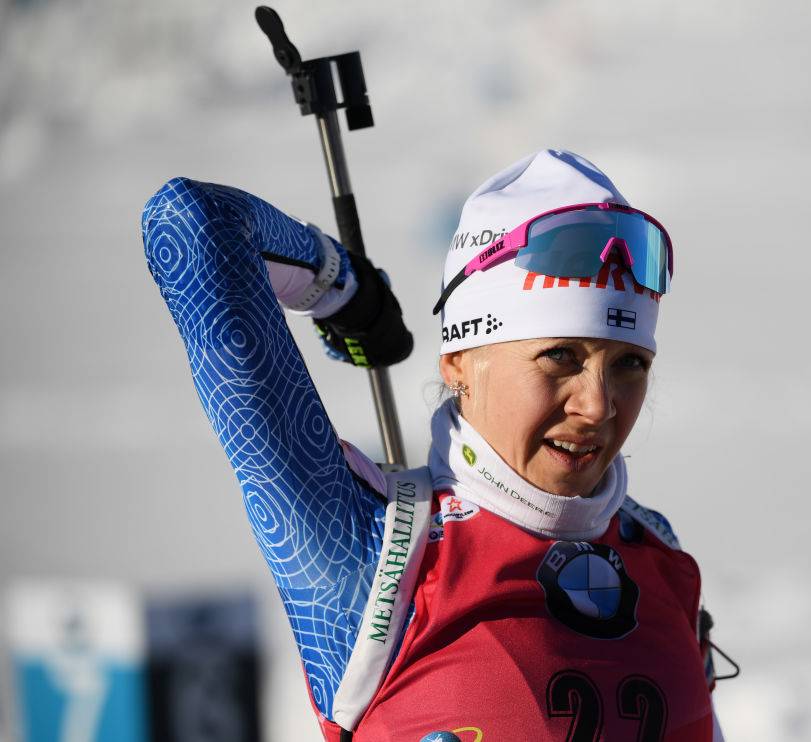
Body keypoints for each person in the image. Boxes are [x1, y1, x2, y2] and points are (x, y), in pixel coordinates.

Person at [142, 149, 725, 741]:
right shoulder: (367, 548)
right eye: (559, 356)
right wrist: (336, 283)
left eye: (630, 363)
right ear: (459, 364)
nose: (597, 405)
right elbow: (190, 223)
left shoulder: (658, 552)